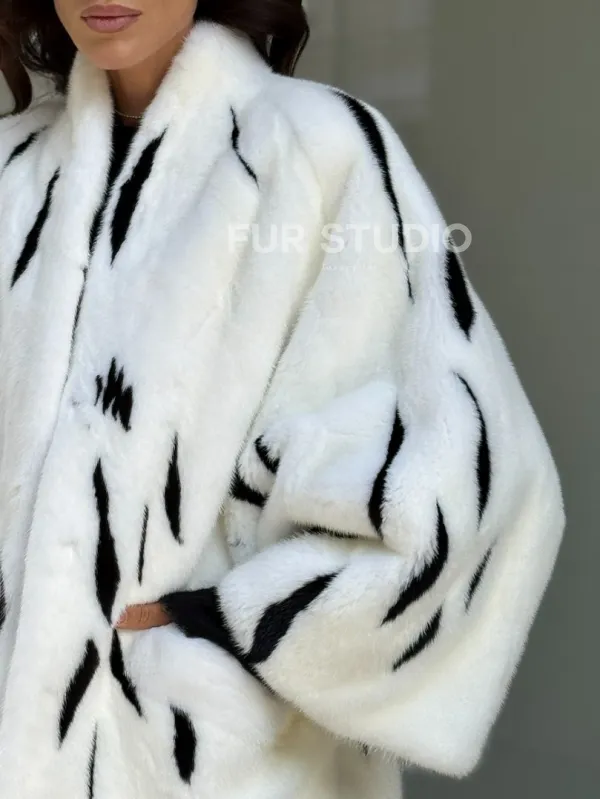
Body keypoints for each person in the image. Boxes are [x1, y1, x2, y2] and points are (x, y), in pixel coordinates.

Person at [0, 2, 564, 798]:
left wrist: (241, 622)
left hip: (210, 764)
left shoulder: (316, 150)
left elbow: (460, 476)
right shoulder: (13, 169)